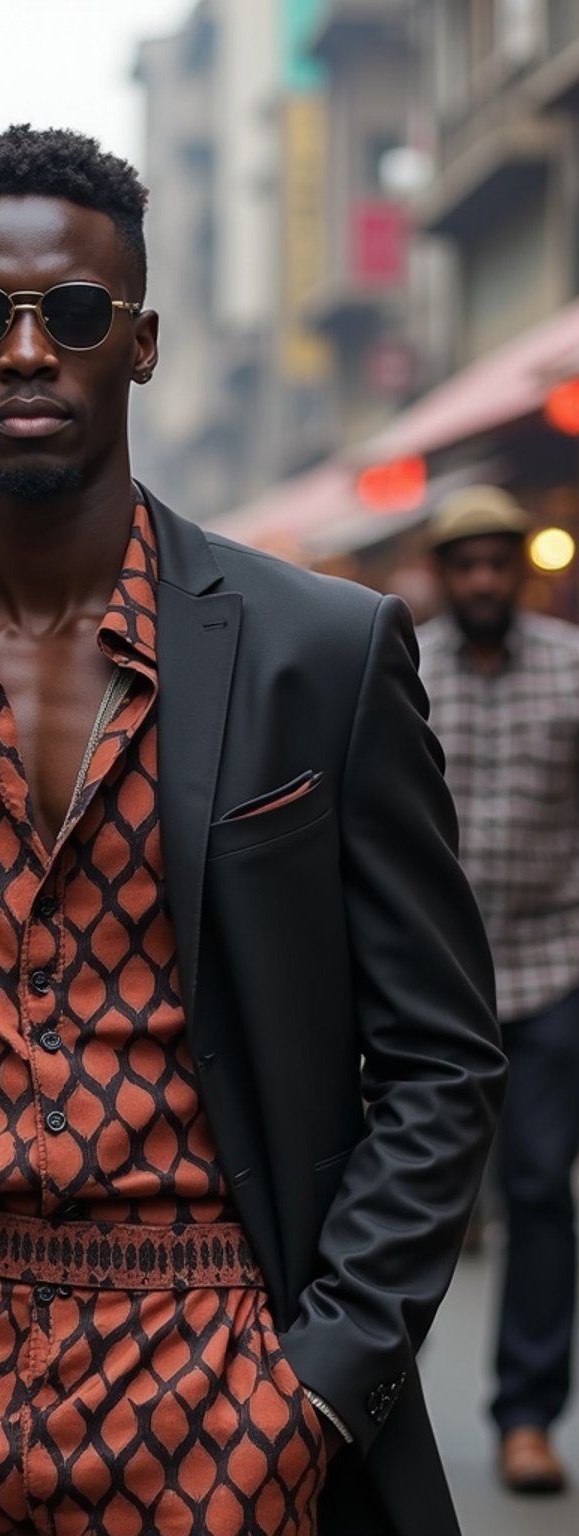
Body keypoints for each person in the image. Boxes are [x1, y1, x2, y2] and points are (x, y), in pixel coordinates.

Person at [0, 126, 505, 1536]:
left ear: (137, 343)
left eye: (71, 313)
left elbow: (439, 1053)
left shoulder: (321, 650)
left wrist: (321, 1381)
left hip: (216, 1385)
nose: (23, 351)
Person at [418, 485, 579, 1497]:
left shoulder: (570, 670)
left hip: (553, 966)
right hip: (427, 984)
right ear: (442, 574)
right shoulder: (402, 666)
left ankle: (526, 1417)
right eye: (464, 563)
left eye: (496, 562)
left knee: (537, 1195)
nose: (481, 579)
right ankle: (369, 1410)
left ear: (519, 571)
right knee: (402, 1196)